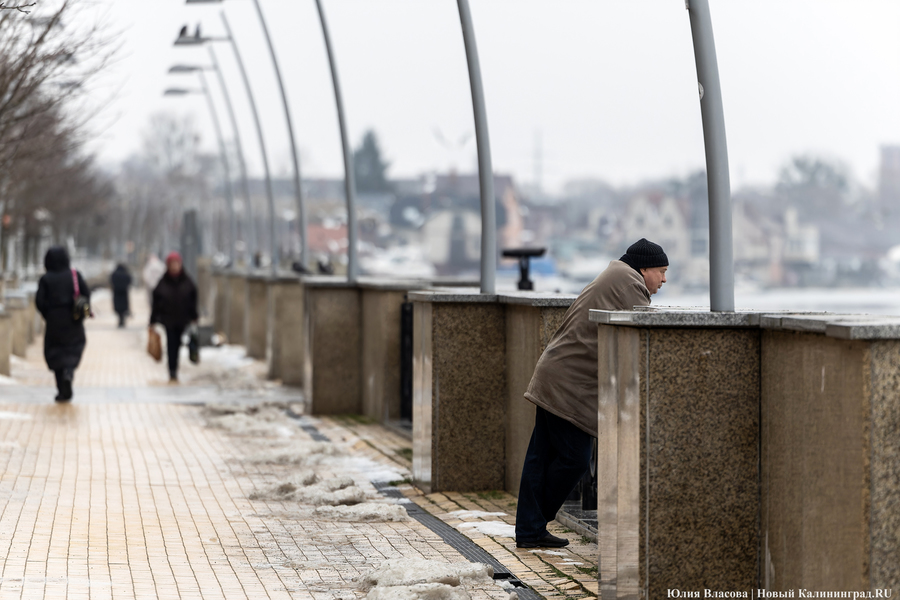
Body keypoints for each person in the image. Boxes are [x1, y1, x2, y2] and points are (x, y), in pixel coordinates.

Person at [515, 238, 668, 548]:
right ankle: (534, 522)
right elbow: (642, 334)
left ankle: (530, 529)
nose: (664, 280)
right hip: (568, 384)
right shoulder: (630, 285)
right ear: (644, 269)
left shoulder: (617, 276)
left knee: (541, 456)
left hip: (557, 375)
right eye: (662, 272)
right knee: (574, 459)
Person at [35, 246, 91, 402]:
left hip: (54, 322)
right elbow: (86, 293)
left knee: (56, 353)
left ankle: (61, 391)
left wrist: (48, 313)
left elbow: (39, 301)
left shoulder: (46, 279)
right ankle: (69, 372)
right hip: (73, 320)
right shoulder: (74, 275)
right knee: (73, 348)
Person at [150, 252, 198, 383]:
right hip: (168, 320)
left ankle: (175, 368)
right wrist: (153, 320)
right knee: (171, 345)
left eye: (176, 264)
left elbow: (193, 300)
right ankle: (172, 371)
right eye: (172, 264)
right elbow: (156, 302)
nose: (174, 266)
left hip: (183, 319)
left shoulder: (187, 281)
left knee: (178, 344)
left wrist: (194, 317)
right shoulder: (163, 282)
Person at [110, 263, 132, 328]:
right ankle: (122, 319)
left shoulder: (114, 274)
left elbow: (111, 281)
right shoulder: (125, 274)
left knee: (118, 308)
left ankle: (120, 320)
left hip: (116, 293)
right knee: (123, 308)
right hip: (124, 293)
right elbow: (129, 280)